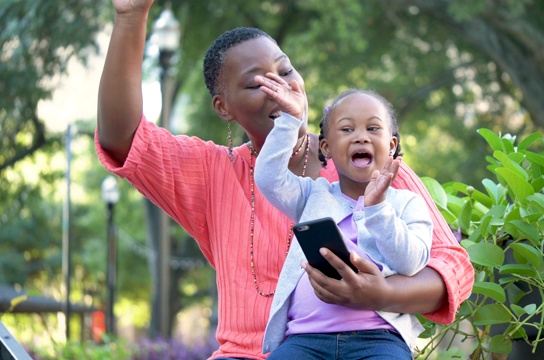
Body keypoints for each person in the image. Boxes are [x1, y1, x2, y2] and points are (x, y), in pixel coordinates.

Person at [96, 1, 474, 359]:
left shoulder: (371, 170)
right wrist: (131, 17)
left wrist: (379, 294)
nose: (281, 86)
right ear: (223, 107)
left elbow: (451, 269)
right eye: (256, 83)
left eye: (286, 71)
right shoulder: (212, 172)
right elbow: (123, 138)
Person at [254, 82, 433, 359]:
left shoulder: (407, 203)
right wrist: (290, 120)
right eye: (347, 129)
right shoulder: (312, 195)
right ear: (326, 147)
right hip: (304, 340)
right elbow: (268, 178)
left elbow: (410, 262)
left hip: (378, 339)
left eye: (373, 128)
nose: (361, 137)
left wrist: (378, 209)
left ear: (391, 144)